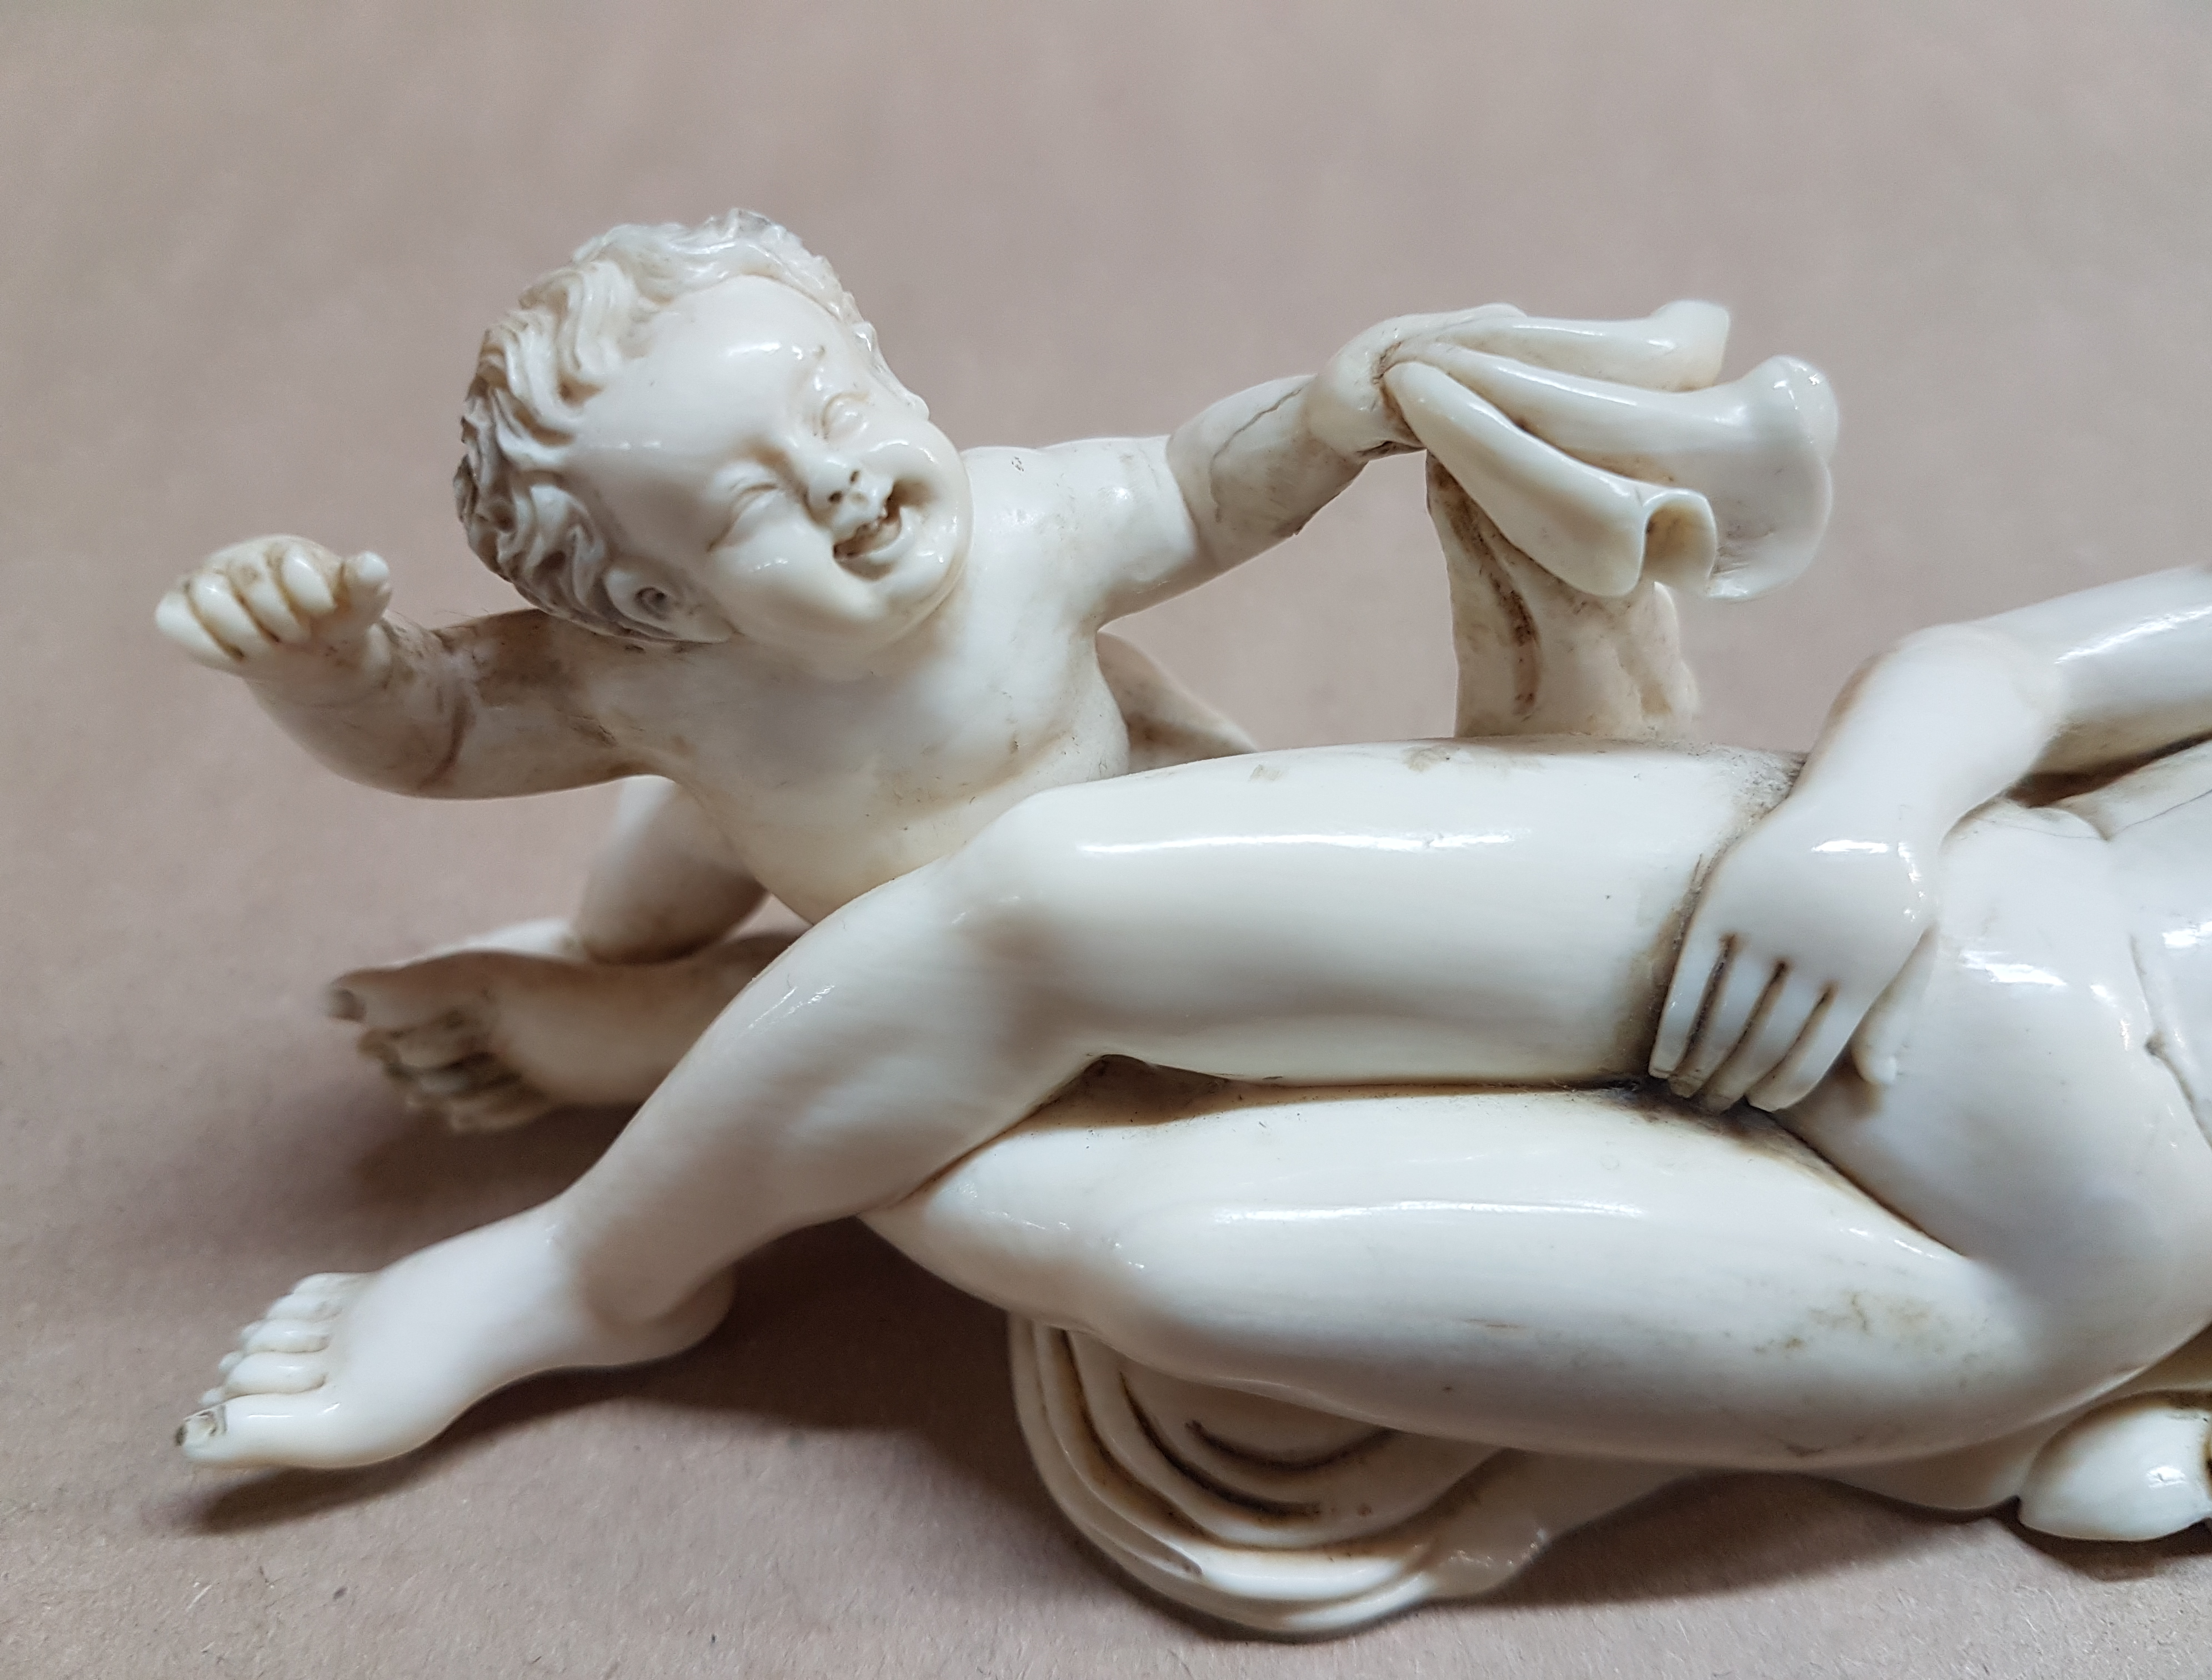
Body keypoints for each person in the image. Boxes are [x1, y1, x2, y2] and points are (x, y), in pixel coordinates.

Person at [175, 547, 2212, 1501]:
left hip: (2069, 1243)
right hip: (1955, 904)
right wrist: (1866, 828)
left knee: (1175, 1266)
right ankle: (592, 1272)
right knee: (1058, 904)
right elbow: (2021, 668)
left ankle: (739, 1026)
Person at [158, 212, 1779, 1129]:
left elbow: (1195, 490)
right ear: (661, 603)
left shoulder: (1023, 530)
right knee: (752, 1023)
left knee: (1222, 891)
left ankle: (620, 960)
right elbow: (442, 734)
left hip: (1109, 863)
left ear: (892, 376)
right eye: (752, 503)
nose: (838, 476)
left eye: (841, 408)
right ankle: (581, 996)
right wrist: (327, 666)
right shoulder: (634, 680)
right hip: (889, 937)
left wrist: (1327, 416)